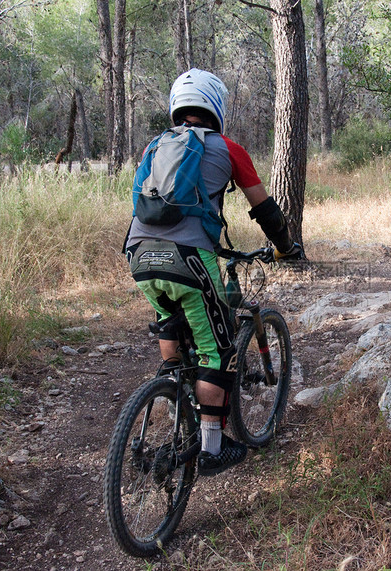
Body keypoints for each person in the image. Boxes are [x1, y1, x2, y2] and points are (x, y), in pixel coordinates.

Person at [124, 68, 302, 477]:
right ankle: (210, 449)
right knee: (217, 353)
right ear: (215, 106)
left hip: (138, 256)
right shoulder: (228, 148)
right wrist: (285, 246)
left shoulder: (155, 146)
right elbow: (265, 209)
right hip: (189, 258)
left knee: (172, 325)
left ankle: (175, 397)